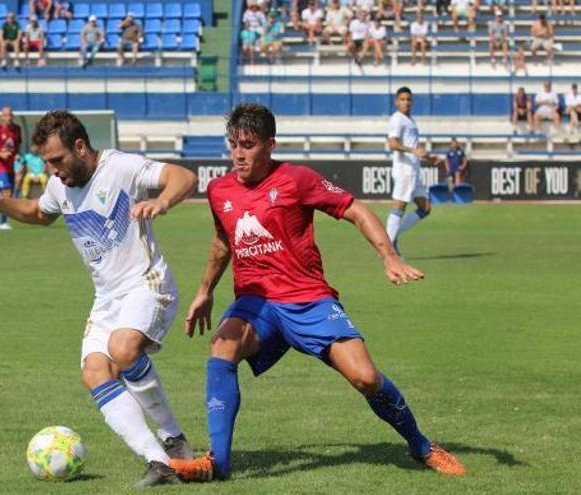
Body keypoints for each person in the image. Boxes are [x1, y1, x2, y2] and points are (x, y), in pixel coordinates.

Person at [168, 103, 466, 483]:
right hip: (256, 304)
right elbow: (223, 242)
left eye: (248, 144)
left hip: (308, 299)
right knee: (221, 346)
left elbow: (355, 209)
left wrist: (388, 255)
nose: (238, 154)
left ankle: (423, 447)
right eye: (233, 145)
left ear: (270, 145)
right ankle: (217, 463)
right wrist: (204, 290)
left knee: (366, 378)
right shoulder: (219, 190)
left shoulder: (297, 179)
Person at [0, 110, 198, 488]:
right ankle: (159, 461)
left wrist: (162, 202)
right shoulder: (60, 185)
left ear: (81, 147)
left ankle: (174, 439)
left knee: (123, 348)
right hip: (107, 298)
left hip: (145, 283)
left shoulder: (119, 167)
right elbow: (41, 213)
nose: (52, 169)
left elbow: (182, 176)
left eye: (56, 160)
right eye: (46, 162)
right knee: (94, 372)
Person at [384, 87, 442, 256]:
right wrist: (413, 151)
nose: (406, 102)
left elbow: (415, 148)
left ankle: (392, 237)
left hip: (414, 170)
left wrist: (429, 158)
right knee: (399, 207)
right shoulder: (397, 119)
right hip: (404, 169)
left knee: (425, 208)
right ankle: (387, 248)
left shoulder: (411, 120)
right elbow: (393, 144)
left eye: (408, 99)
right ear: (396, 101)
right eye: (402, 99)